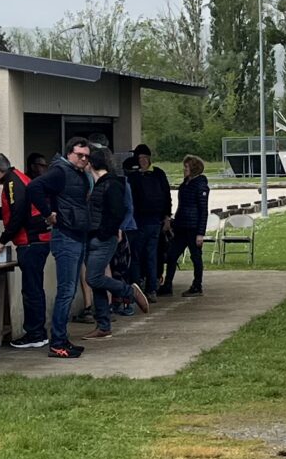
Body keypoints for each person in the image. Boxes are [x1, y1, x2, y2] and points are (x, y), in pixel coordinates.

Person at [0, 151, 52, 348]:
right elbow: (8, 211)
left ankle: (35, 334)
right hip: (35, 241)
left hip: (31, 242)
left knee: (31, 289)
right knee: (32, 288)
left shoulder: (12, 183)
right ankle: (37, 332)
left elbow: (17, 214)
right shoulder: (17, 179)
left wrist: (3, 239)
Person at [31, 140, 95, 358]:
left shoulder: (78, 173)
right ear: (69, 154)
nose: (84, 159)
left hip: (77, 234)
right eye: (80, 155)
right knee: (66, 291)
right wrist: (48, 213)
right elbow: (34, 187)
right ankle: (57, 342)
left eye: (87, 156)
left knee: (69, 290)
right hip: (66, 236)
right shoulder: (60, 171)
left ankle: (62, 339)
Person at [84, 150, 149, 338]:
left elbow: (116, 212)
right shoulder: (102, 183)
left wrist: (105, 233)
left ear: (92, 164)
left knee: (93, 278)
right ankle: (103, 325)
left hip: (102, 238)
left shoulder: (111, 184)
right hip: (97, 237)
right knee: (96, 283)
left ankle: (129, 291)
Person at [126, 144, 173, 300]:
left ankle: (137, 288)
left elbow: (130, 201)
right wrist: (167, 216)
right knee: (152, 255)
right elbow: (167, 195)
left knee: (136, 257)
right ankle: (152, 289)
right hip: (156, 221)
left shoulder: (133, 177)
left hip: (139, 222)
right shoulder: (159, 173)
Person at [170, 155, 212, 295]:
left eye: (186, 167)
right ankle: (167, 284)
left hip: (193, 227)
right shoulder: (185, 184)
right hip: (182, 226)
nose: (184, 169)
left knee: (195, 256)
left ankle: (197, 285)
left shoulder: (200, 186)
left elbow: (203, 210)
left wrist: (201, 233)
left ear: (193, 169)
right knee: (172, 255)